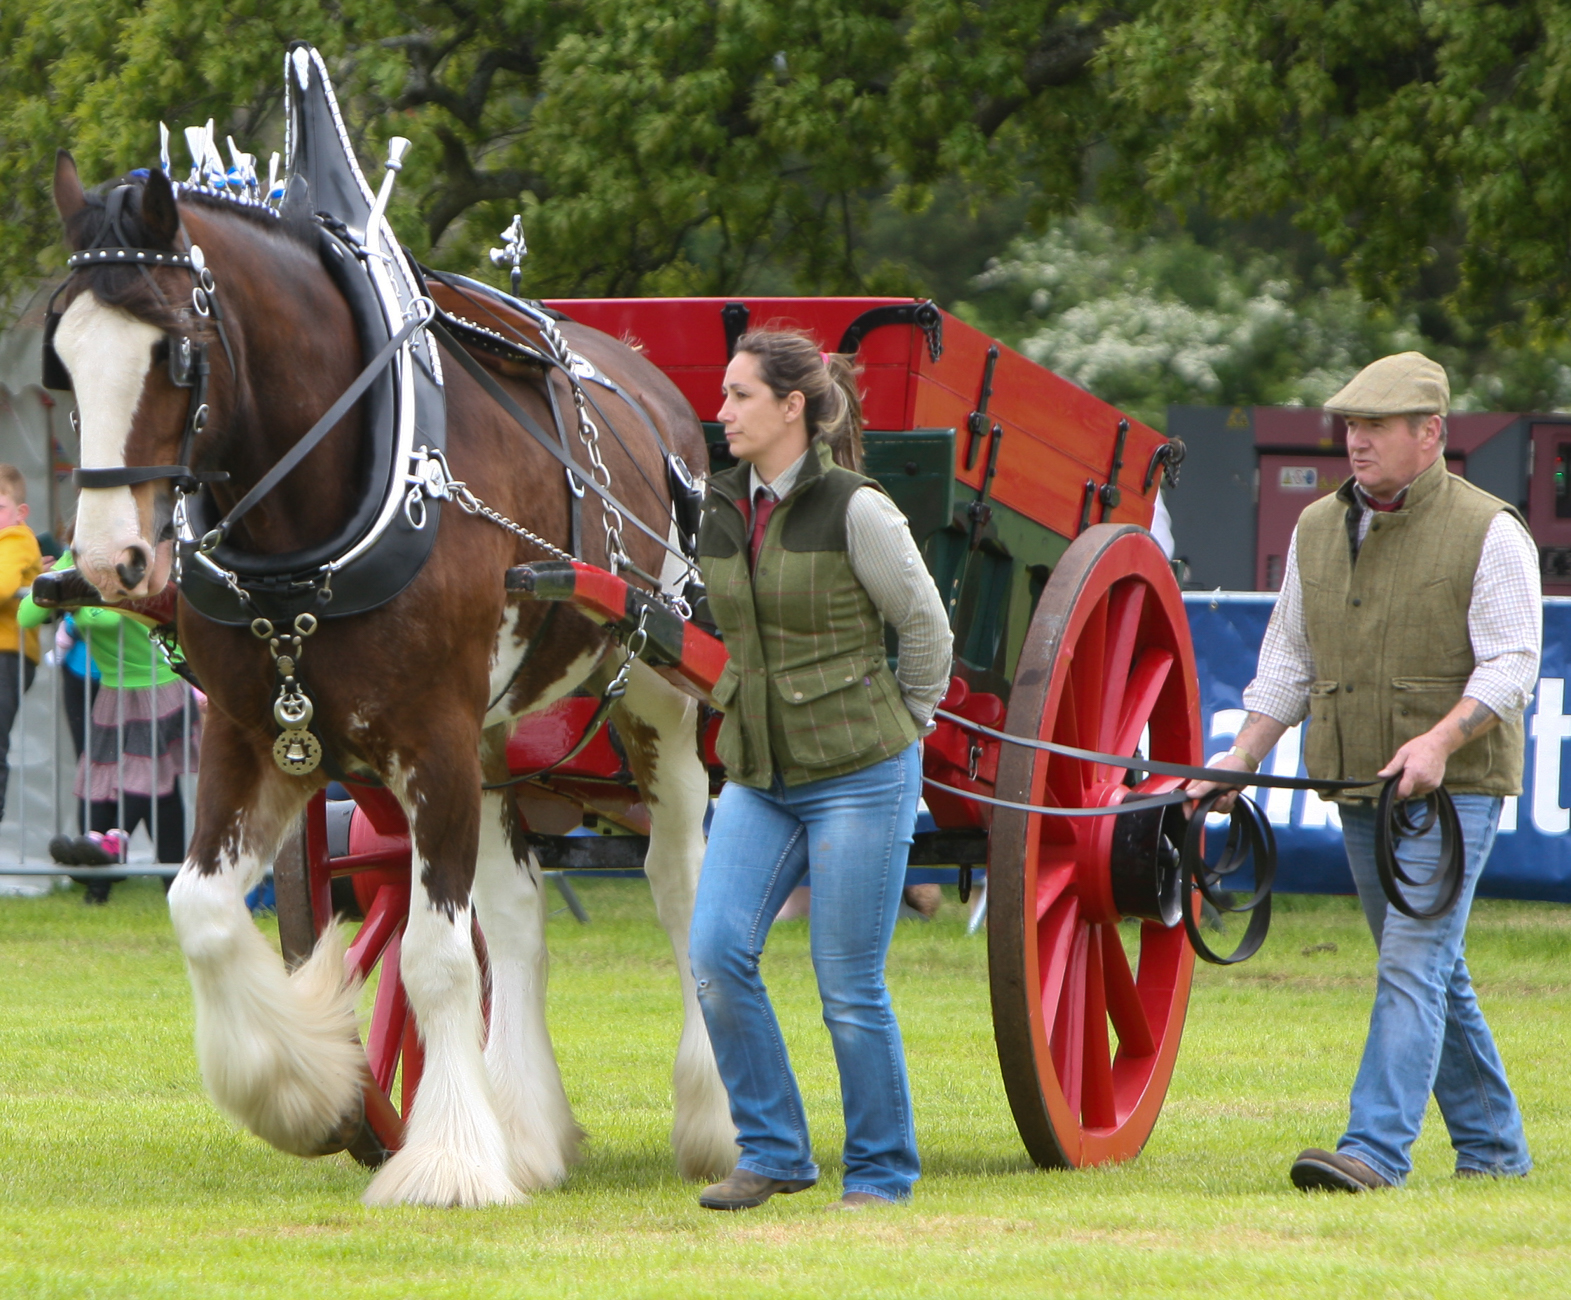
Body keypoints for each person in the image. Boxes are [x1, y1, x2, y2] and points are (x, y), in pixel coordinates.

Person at [1189, 352, 1537, 1192]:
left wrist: (1438, 742)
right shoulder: (1314, 527)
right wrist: (1238, 758)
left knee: (1411, 962)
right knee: (1429, 965)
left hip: (1451, 792)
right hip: (1353, 782)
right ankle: (1494, 1150)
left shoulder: (1489, 528)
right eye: (1350, 425)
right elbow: (1285, 664)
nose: (1356, 441)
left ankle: (1373, 1152)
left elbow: (1512, 663)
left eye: (1376, 426)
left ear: (1431, 434)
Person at [688, 329, 952, 1212]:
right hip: (757, 774)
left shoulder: (856, 509)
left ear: (791, 407)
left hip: (861, 775)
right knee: (717, 956)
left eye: (739, 396)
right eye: (723, 396)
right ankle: (774, 1154)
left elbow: (924, 625)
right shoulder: (718, 506)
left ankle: (879, 1174)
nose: (721, 412)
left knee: (847, 986)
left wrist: (905, 723)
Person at [20, 580, 200, 903]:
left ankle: (116, 842)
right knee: (100, 770)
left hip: (158, 685)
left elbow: (110, 617)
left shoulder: (130, 565)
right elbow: (27, 616)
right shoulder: (71, 564)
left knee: (145, 774)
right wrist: (63, 579)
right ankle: (99, 862)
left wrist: (77, 598)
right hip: (111, 687)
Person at [0, 464, 43, 824]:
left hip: (7, 656)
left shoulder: (15, 538)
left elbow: (1, 586)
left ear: (20, 512)